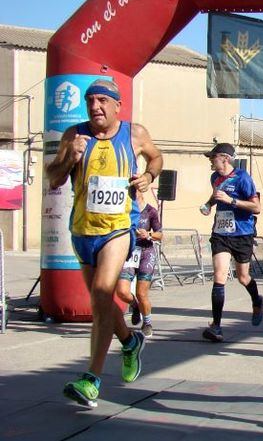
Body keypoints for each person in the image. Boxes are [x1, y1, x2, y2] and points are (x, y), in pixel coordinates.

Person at [46, 79, 163, 407]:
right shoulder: (74, 135)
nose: (95, 106)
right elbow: (54, 178)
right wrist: (70, 157)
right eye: (89, 101)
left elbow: (156, 158)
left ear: (116, 105)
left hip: (117, 229)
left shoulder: (134, 133)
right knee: (101, 303)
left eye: (101, 100)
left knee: (100, 294)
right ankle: (129, 341)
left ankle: (91, 380)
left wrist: (149, 176)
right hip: (83, 231)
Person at [199, 142, 263, 342]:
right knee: (219, 276)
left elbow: (257, 207)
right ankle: (216, 327)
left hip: (242, 234)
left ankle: (257, 300)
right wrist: (209, 204)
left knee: (243, 277)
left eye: (213, 157)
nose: (210, 160)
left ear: (224, 159)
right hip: (221, 233)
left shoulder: (243, 178)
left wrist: (232, 201)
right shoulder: (214, 178)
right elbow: (217, 195)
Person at [116, 193, 163, 337]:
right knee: (122, 291)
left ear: (141, 193)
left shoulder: (151, 211)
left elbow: (160, 234)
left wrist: (148, 234)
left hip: (146, 253)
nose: (132, 195)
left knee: (141, 293)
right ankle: (135, 306)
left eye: (135, 192)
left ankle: (147, 323)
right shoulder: (124, 209)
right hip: (128, 252)